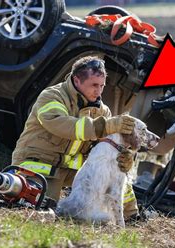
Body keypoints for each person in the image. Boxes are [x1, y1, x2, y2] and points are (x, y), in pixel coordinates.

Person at [12, 56, 139, 219]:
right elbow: (61, 124)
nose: (99, 91)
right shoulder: (52, 96)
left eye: (102, 86)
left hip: (73, 171)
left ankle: (133, 217)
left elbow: (107, 146)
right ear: (77, 80)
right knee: (44, 210)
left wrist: (124, 156)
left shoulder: (102, 111)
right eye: (94, 85)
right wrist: (103, 127)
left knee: (115, 170)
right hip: (40, 166)